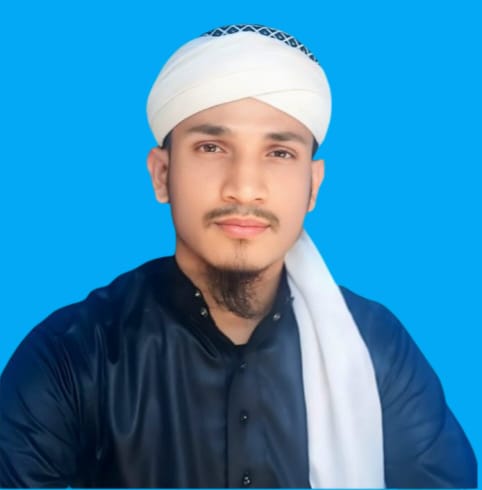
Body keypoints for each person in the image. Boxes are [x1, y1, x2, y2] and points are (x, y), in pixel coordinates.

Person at [0, 24, 476, 488]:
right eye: (211, 147)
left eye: (279, 153)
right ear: (162, 174)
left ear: (313, 185)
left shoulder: (374, 349)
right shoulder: (73, 356)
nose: (245, 187)